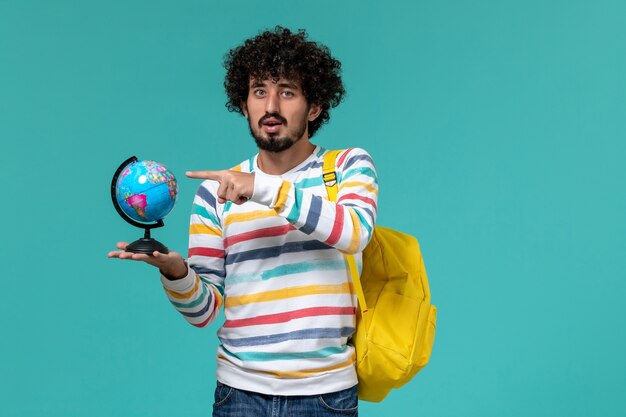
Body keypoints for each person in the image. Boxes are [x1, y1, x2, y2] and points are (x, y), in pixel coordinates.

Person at [109, 26, 378, 417]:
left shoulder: (348, 166)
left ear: (314, 106)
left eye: (287, 92)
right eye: (259, 92)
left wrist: (262, 187)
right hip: (238, 396)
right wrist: (175, 271)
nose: (271, 106)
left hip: (325, 397)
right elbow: (204, 311)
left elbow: (354, 233)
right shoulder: (215, 193)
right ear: (245, 103)